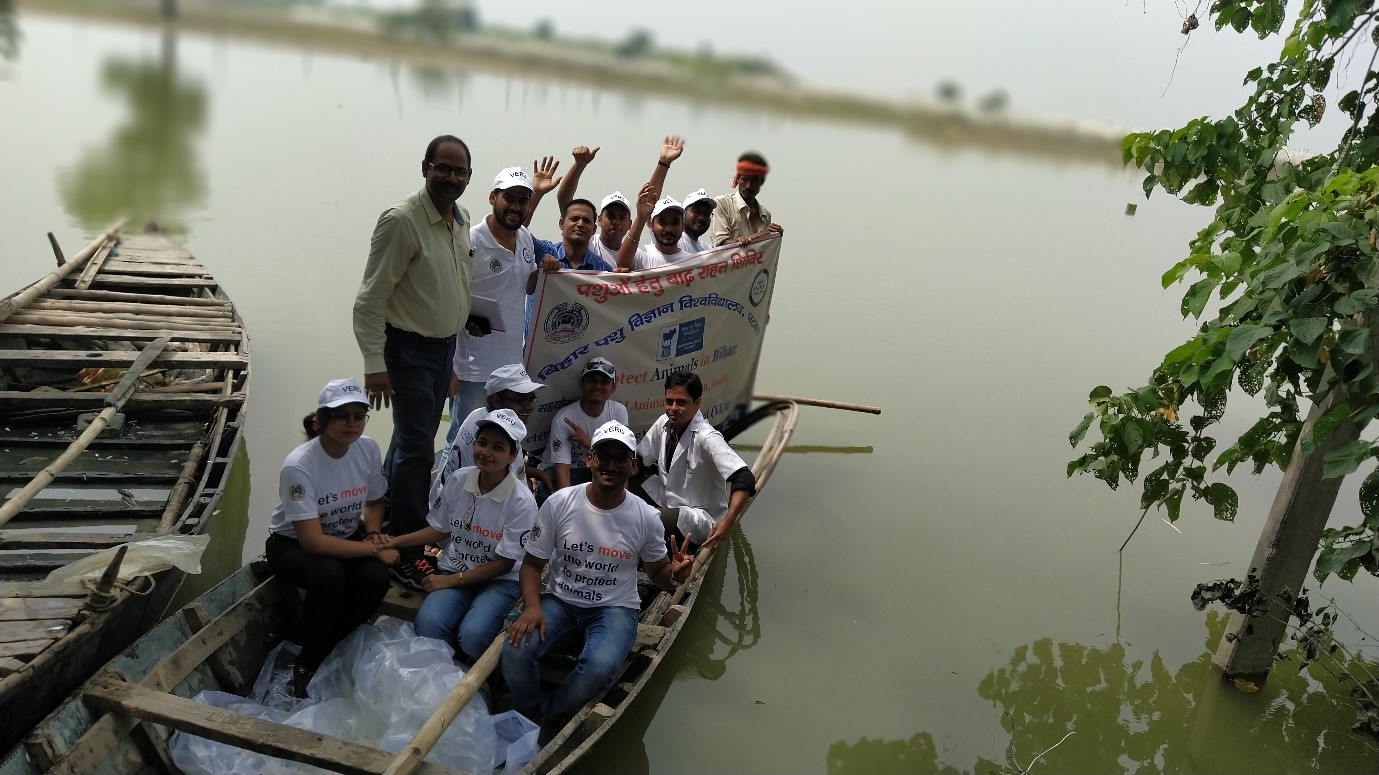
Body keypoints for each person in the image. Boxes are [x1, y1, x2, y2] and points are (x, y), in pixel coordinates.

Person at [502, 421, 692, 725]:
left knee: (599, 667)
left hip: (614, 608)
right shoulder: (559, 503)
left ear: (632, 467)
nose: (610, 465)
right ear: (590, 459)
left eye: (620, 459)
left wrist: (676, 575)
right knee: (514, 651)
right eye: (603, 456)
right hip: (560, 602)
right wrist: (532, 607)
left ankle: (547, 716)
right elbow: (533, 564)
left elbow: (658, 573)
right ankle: (526, 711)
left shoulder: (646, 517)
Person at [352, 134, 478, 577]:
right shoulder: (401, 221)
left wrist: (455, 358)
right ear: (425, 168)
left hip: (444, 350)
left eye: (460, 171)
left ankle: (385, 517)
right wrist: (375, 365)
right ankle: (408, 552)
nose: (451, 178)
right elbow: (369, 300)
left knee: (409, 440)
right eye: (444, 168)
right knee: (420, 450)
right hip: (407, 350)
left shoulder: (461, 219)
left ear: (469, 177)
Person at [265, 378, 397, 697]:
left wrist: (374, 534)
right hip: (292, 545)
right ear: (322, 419)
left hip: (346, 536)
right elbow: (313, 542)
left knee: (377, 579)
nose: (352, 424)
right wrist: (372, 550)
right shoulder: (300, 466)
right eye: (342, 416)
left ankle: (330, 644)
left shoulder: (367, 448)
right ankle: (308, 662)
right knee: (329, 574)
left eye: (359, 416)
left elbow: (374, 501)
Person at [384, 409, 537, 662]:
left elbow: (504, 564)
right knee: (428, 624)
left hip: (499, 580)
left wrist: (450, 581)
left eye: (498, 447)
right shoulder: (458, 480)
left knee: (474, 635)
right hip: (456, 567)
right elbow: (440, 528)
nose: (486, 452)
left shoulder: (522, 501)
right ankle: (449, 673)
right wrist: (394, 541)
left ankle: (476, 674)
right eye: (482, 442)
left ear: (512, 456)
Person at [450, 167, 539, 423]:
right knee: (464, 436)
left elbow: (527, 285)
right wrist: (450, 369)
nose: (515, 207)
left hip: (512, 368)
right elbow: (450, 299)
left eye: (523, 201)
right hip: (473, 370)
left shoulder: (525, 237)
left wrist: (545, 270)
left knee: (505, 433)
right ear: (492, 197)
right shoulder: (470, 241)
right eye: (508, 198)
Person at [636, 372, 756, 549]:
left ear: (697, 402)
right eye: (669, 401)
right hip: (667, 501)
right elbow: (640, 459)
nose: (673, 408)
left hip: (699, 517)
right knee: (624, 483)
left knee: (649, 519)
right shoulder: (664, 423)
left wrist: (727, 522)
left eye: (681, 402)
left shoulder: (707, 437)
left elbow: (744, 477)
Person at [432, 363, 547, 519]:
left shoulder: (480, 416)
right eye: (522, 400)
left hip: (448, 506)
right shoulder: (498, 433)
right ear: (496, 400)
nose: (530, 406)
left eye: (531, 399)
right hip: (465, 517)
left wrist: (538, 473)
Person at [547, 357, 629, 490]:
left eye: (604, 382)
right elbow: (562, 473)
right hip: (569, 471)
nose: (597, 386)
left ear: (613, 387)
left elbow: (620, 461)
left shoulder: (619, 411)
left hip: (598, 467)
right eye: (592, 380)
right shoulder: (563, 419)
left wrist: (589, 444)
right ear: (582, 383)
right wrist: (567, 503)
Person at [553, 145, 632, 269]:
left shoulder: (636, 255)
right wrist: (579, 165)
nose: (616, 222)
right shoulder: (588, 241)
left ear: (630, 224)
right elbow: (564, 199)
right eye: (610, 216)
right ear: (599, 220)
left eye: (622, 217)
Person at [707, 151, 784, 247]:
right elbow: (720, 243)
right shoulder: (722, 204)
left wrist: (774, 235)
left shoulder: (765, 215)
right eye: (744, 179)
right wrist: (760, 235)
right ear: (737, 179)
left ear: (761, 183)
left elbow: (764, 249)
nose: (748, 186)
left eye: (754, 181)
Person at [617, 189, 695, 271]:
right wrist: (640, 218)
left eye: (675, 223)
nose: (669, 229)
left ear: (682, 226)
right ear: (652, 225)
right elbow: (621, 263)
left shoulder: (692, 262)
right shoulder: (642, 255)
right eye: (663, 223)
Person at [678, 188, 715, 255]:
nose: (701, 218)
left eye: (706, 214)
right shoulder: (675, 244)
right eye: (696, 212)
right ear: (683, 213)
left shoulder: (707, 249)